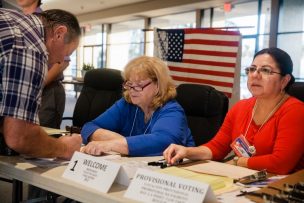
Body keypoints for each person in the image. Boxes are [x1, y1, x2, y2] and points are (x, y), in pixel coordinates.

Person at [163, 48, 304, 175]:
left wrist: (239, 161)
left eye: (266, 70)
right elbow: (217, 147)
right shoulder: (240, 107)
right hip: (244, 179)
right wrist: (187, 151)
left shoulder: (295, 110)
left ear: (284, 81)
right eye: (252, 69)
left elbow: (281, 164)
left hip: (283, 187)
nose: (255, 75)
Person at [0, 8, 82, 159]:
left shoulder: (11, 19)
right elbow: (19, 137)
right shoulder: (30, 47)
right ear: (59, 33)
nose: (60, 61)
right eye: (67, 54)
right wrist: (65, 148)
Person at [80, 56, 195, 156]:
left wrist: (111, 144)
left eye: (139, 85)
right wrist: (120, 142)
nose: (132, 91)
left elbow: (164, 142)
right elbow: (89, 128)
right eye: (129, 84)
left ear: (158, 85)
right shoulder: (126, 104)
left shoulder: (172, 110)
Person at [16, 0, 70, 129]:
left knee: (41, 131)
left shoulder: (48, 20)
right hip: (24, 88)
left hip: (46, 89)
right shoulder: (16, 18)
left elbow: (62, 62)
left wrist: (36, 85)